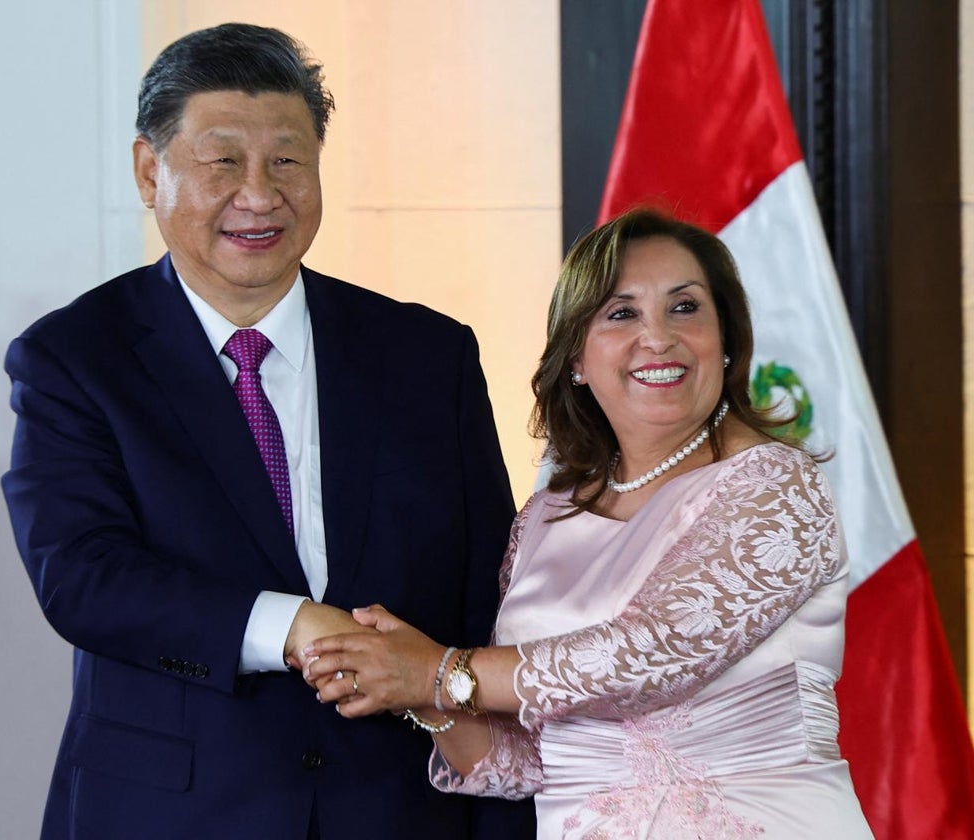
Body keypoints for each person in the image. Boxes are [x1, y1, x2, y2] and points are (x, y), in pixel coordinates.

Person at [0, 21, 534, 840]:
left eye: (287, 160)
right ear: (150, 170)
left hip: (401, 808)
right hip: (172, 812)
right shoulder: (77, 359)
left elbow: (488, 600)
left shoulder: (428, 354)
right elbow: (83, 577)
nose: (259, 194)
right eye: (222, 162)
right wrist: (288, 626)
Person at [300, 208, 874, 838]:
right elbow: (526, 764)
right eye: (622, 313)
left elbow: (648, 657)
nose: (658, 338)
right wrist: (410, 687)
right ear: (575, 356)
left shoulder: (774, 484)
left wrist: (436, 670)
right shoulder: (547, 516)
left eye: (685, 308)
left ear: (728, 338)